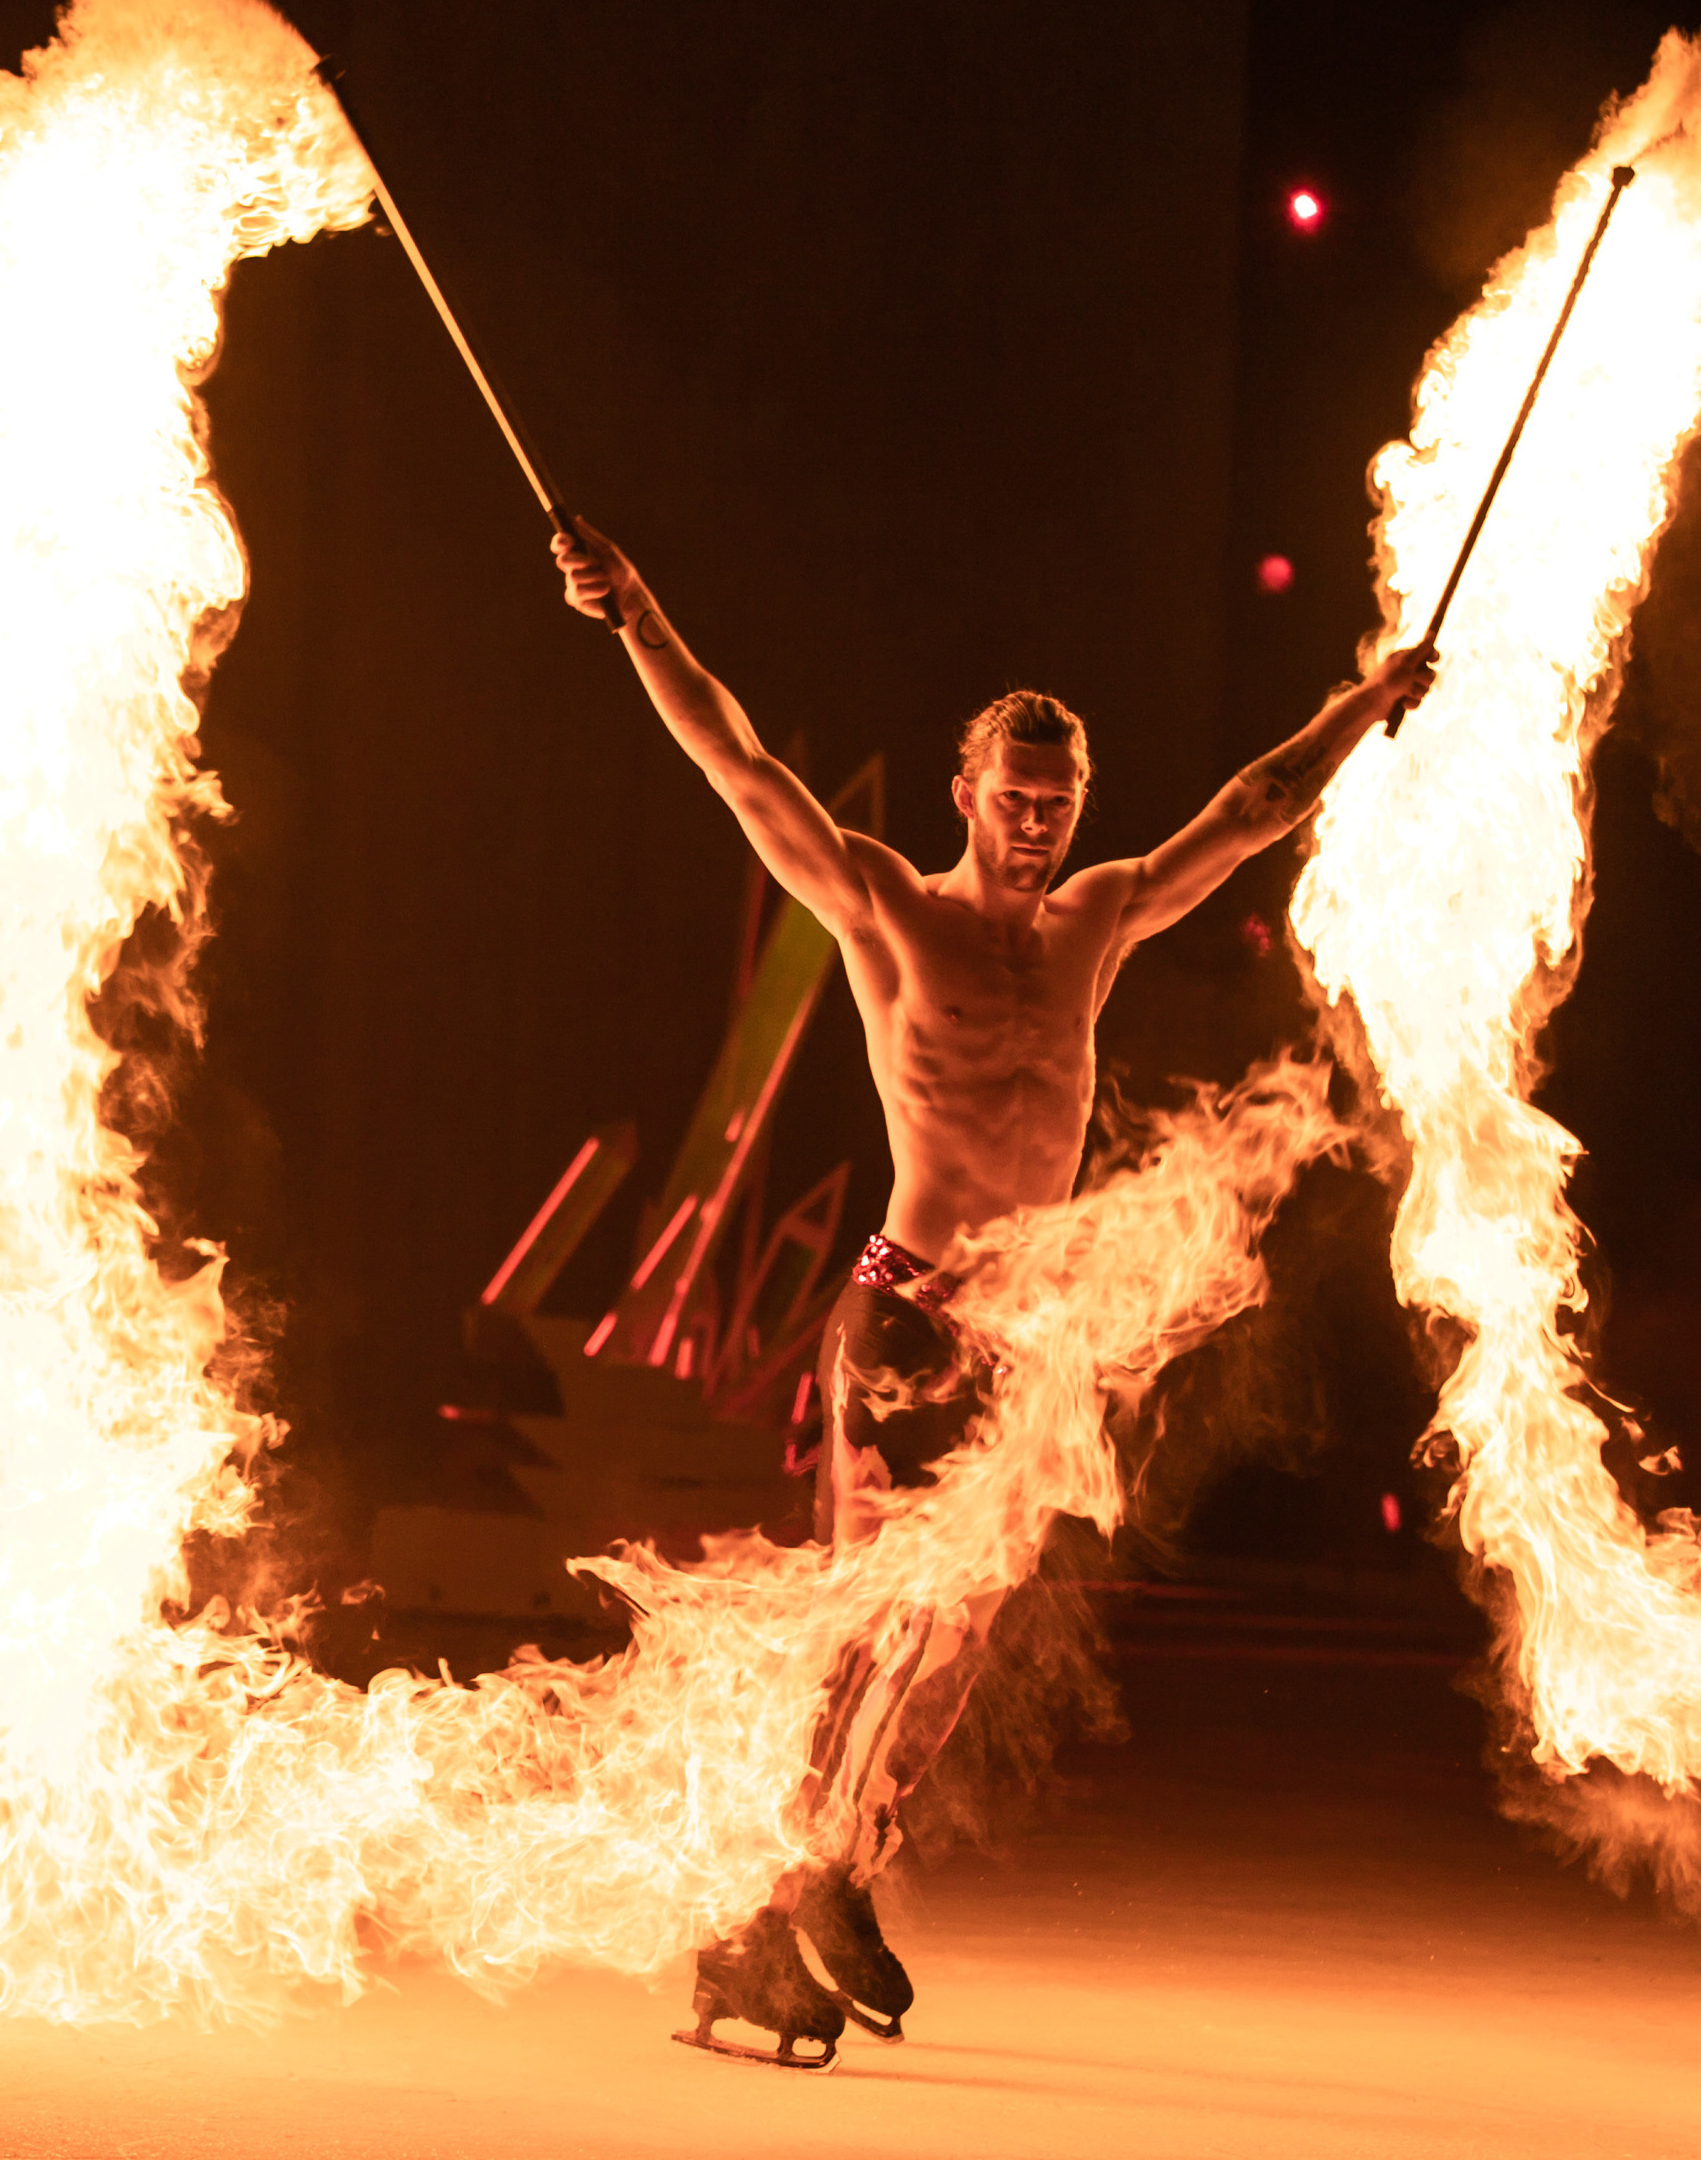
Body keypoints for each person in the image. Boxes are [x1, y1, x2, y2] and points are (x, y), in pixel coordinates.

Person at [553, 521, 1433, 2066]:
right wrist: (632, 614)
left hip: (1030, 1335)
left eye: (1059, 802)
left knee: (951, 1651)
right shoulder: (892, 908)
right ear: (967, 796)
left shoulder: (1096, 923)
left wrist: (1365, 702)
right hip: (906, 1313)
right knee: (899, 1607)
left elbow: (1251, 811)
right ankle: (802, 1881)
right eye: (1013, 799)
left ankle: (788, 1907)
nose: (1035, 823)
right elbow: (738, 764)